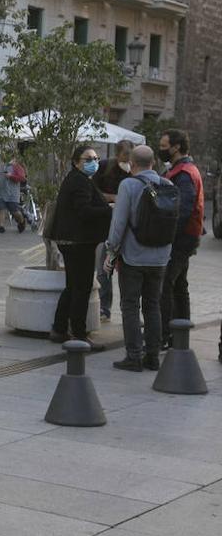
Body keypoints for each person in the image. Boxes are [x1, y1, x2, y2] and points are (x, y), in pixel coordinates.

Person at [104, 145, 173, 372]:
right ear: (153, 163)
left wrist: (111, 251)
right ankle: (152, 356)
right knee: (153, 305)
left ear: (132, 165)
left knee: (130, 306)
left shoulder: (129, 185)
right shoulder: (168, 185)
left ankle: (133, 356)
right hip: (160, 257)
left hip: (133, 257)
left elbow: (119, 223)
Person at [48, 146, 112, 348]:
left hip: (72, 240)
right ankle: (78, 334)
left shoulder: (78, 179)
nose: (93, 161)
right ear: (76, 162)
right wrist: (108, 210)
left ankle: (59, 328)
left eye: (95, 158)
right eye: (88, 158)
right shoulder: (80, 181)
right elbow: (84, 211)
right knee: (81, 289)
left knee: (72, 286)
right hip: (78, 242)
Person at [157, 129, 204, 350]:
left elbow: (182, 210)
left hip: (181, 238)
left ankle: (165, 334)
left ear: (176, 147)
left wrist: (167, 236)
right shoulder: (182, 170)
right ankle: (179, 333)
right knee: (179, 285)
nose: (161, 149)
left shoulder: (184, 173)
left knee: (165, 284)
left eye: (164, 146)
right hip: (187, 236)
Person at [92, 140, 132, 321]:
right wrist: (113, 197)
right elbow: (94, 190)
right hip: (105, 222)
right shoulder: (105, 167)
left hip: (127, 226)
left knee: (127, 271)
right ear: (118, 154)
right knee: (103, 268)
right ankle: (104, 307)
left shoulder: (134, 171)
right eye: (125, 155)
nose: (128, 159)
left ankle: (129, 310)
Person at [0, 155, 28, 233]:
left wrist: (11, 176)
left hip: (12, 193)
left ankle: (22, 221)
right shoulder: (3, 165)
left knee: (14, 211)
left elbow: (22, 178)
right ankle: (1, 227)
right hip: (2, 191)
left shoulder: (16, 166)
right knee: (1, 209)